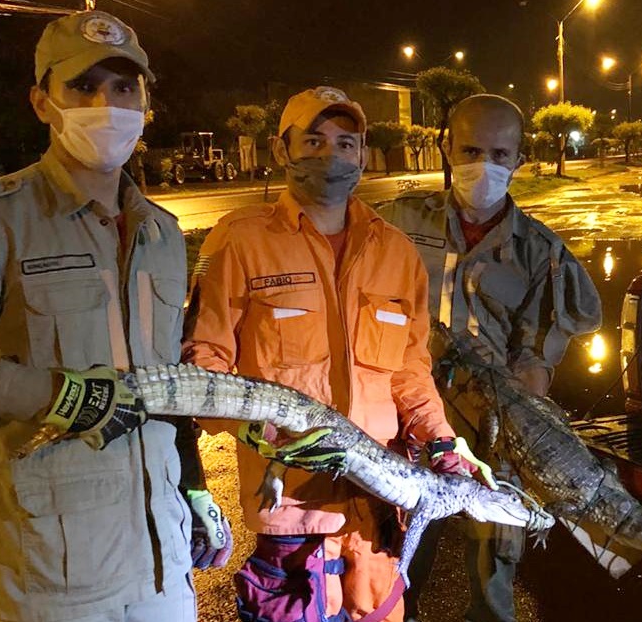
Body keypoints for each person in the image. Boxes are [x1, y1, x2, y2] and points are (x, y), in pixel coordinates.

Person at [183, 86, 490, 622]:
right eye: (314, 140)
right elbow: (203, 360)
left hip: (376, 513)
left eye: (346, 143)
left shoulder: (395, 251)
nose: (331, 155)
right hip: (290, 518)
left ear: (363, 155)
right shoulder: (239, 241)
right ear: (281, 151)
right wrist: (256, 430)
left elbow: (409, 371)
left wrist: (441, 440)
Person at [0, 10, 232, 622]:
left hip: (163, 565)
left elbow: (163, 389)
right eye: (82, 87)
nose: (106, 104)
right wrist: (56, 394)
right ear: (42, 102)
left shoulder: (162, 235)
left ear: (145, 104)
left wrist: (192, 485)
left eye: (124, 87)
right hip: (44, 578)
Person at [379, 93, 602, 622]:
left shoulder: (540, 252)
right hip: (403, 418)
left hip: (491, 422)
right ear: (445, 148)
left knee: (496, 556)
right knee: (396, 551)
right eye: (471, 149)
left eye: (500, 154)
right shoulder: (390, 224)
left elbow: (537, 353)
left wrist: (523, 429)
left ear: (519, 159)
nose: (485, 165)